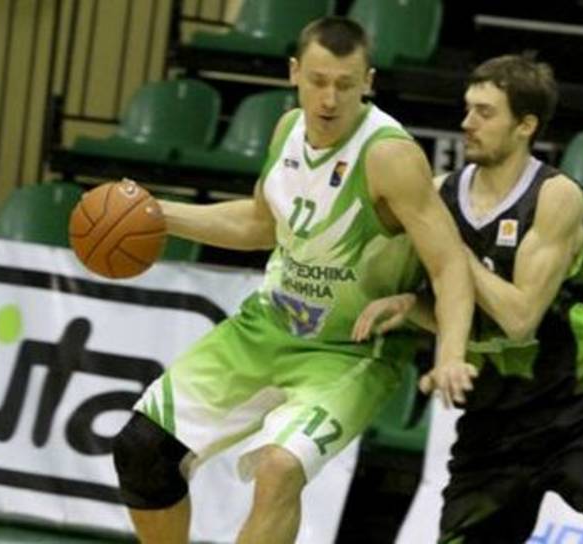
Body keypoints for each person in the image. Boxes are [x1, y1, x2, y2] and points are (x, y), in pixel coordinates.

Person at [111, 16, 476, 544]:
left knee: (279, 469)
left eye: (345, 85)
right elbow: (260, 225)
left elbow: (449, 263)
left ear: (368, 81)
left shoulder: (389, 156)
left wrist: (451, 352)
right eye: (318, 81)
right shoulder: (287, 130)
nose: (329, 99)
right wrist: (158, 213)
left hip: (346, 353)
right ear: (294, 73)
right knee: (143, 448)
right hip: (267, 328)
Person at [352, 55, 583, 543]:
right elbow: (464, 312)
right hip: (490, 426)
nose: (467, 123)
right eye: (467, 108)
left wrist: (450, 247)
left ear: (525, 125)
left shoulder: (554, 197)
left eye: (485, 113)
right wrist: (411, 306)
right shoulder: (441, 195)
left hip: (571, 416)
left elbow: (519, 318)